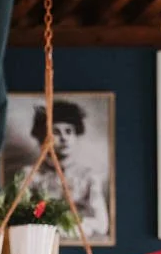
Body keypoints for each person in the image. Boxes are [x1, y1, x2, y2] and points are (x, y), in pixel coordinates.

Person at [24, 100, 110, 241]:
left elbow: (101, 225)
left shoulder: (89, 177)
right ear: (43, 138)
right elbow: (22, 222)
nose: (64, 138)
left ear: (76, 135)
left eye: (69, 131)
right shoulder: (30, 175)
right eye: (56, 132)